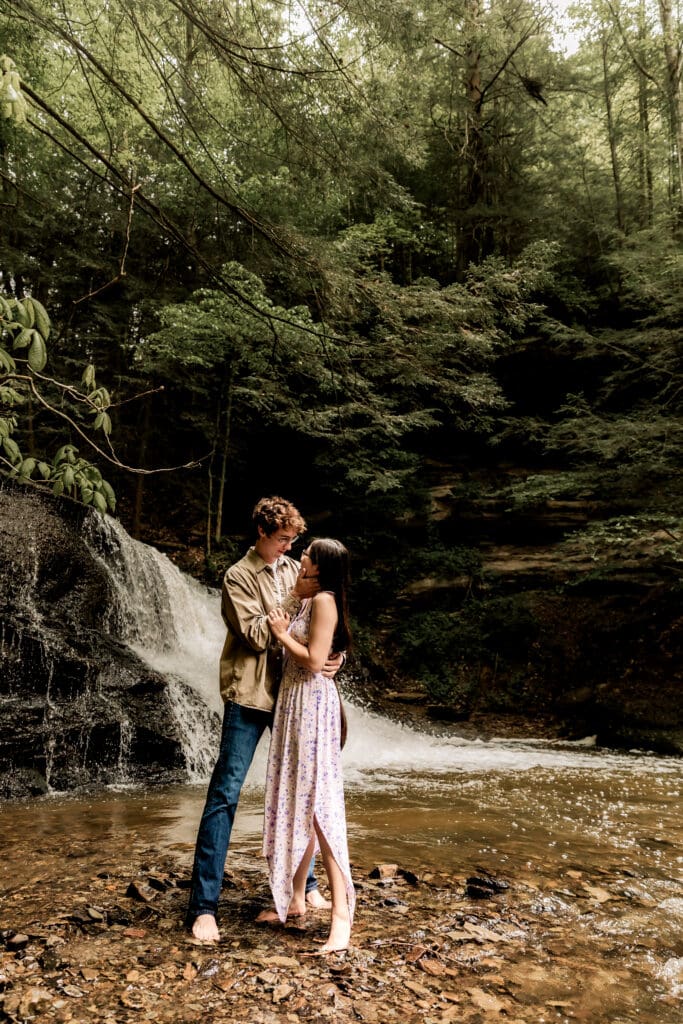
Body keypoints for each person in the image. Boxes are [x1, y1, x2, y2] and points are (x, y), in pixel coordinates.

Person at [186, 497, 343, 942]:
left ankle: (304, 886)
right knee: (225, 794)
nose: (289, 548)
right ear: (262, 533)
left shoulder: (296, 568)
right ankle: (203, 908)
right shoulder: (237, 576)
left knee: (307, 792)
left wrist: (335, 657)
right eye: (281, 540)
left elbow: (322, 622)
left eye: (293, 541)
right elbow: (257, 636)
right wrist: (295, 598)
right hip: (251, 697)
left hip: (296, 697)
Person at [260, 538, 355, 954]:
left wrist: (282, 635)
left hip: (312, 706)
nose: (301, 557)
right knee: (299, 802)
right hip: (294, 705)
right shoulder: (310, 597)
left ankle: (342, 914)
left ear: (320, 567)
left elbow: (316, 661)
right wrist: (295, 597)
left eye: (307, 556)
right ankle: (295, 899)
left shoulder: (325, 601)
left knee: (320, 810)